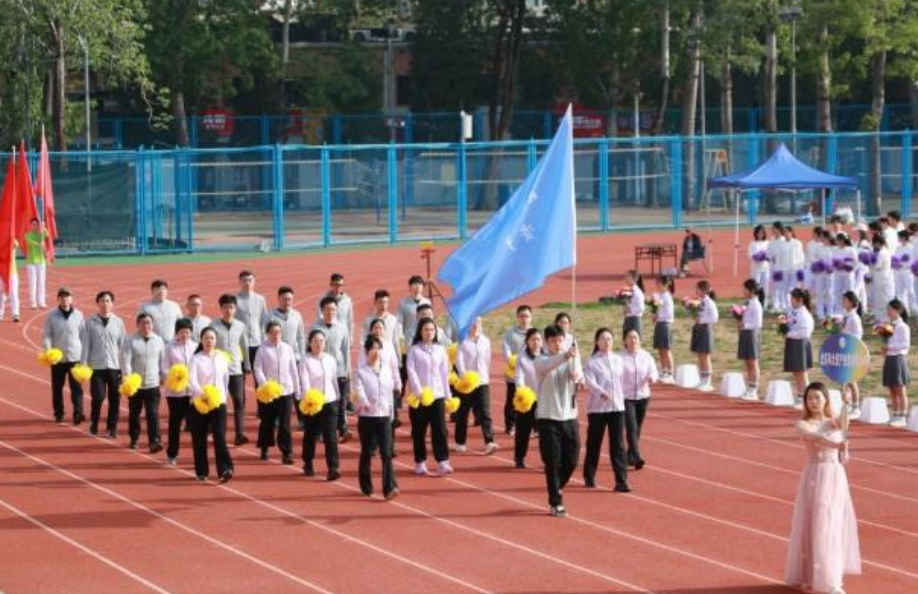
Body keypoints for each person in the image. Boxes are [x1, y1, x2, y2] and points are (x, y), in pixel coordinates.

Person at [785, 382, 860, 594]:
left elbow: (844, 425)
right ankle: (825, 581)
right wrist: (837, 445)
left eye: (817, 397)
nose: (813, 401)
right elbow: (816, 438)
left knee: (833, 524)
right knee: (818, 524)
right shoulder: (802, 424)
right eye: (809, 398)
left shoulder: (832, 421)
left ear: (826, 399)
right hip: (816, 477)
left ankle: (831, 577)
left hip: (836, 477)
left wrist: (846, 402)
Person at [535, 324, 582, 517]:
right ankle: (555, 501)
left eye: (560, 340)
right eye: (553, 341)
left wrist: (578, 376)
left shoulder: (573, 357)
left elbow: (579, 376)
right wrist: (565, 356)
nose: (557, 344)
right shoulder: (541, 360)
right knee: (553, 461)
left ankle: (556, 486)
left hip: (569, 416)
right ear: (547, 343)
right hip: (548, 418)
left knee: (572, 459)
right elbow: (549, 365)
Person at [581, 328, 628, 492]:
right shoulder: (591, 362)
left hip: (617, 408)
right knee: (594, 443)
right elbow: (589, 382)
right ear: (597, 342)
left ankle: (621, 481)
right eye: (603, 339)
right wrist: (601, 393)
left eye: (609, 339)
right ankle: (589, 476)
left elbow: (623, 381)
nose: (607, 342)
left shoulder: (618, 360)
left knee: (618, 445)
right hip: (598, 409)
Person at [353, 335, 399, 500]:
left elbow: (389, 392)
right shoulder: (360, 372)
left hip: (384, 416)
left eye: (379, 348)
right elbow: (358, 390)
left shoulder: (386, 370)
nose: (376, 351)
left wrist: (391, 412)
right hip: (367, 417)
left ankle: (389, 487)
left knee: (386, 452)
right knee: (367, 451)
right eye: (373, 348)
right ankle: (366, 486)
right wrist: (365, 403)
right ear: (366, 351)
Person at [406, 317, 452, 476]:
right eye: (426, 329)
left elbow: (444, 374)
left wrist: (447, 395)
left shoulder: (440, 350)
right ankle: (420, 462)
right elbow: (411, 372)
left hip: (437, 396)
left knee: (440, 430)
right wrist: (418, 391)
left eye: (432, 330)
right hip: (419, 398)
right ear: (420, 331)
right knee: (419, 431)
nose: (429, 332)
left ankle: (443, 461)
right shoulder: (414, 351)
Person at [188, 326, 235, 483]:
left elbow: (226, 379)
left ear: (216, 341)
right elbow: (192, 380)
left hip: (218, 403)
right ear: (201, 340)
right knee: (199, 438)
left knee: (220, 436)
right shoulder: (196, 359)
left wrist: (223, 397)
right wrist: (202, 394)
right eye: (206, 338)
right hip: (200, 403)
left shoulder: (221, 358)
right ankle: (201, 471)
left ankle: (225, 469)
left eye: (212, 338)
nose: (209, 341)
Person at [81, 290, 125, 438]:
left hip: (114, 367)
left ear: (112, 303)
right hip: (97, 367)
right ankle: (94, 423)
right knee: (98, 397)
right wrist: (83, 365)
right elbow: (86, 345)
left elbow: (123, 346)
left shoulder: (118, 322)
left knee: (115, 399)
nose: (105, 304)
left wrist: (125, 368)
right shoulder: (90, 322)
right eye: (102, 301)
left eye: (108, 301)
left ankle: (111, 428)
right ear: (97, 303)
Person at [298, 329, 341, 480]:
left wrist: (338, 396)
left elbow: (334, 379)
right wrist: (308, 398)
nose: (319, 343)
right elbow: (304, 382)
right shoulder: (305, 360)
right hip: (312, 403)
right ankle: (308, 462)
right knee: (310, 434)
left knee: (330, 435)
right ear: (310, 343)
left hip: (329, 401)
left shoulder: (330, 359)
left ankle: (333, 467)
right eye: (315, 341)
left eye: (321, 341)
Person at [254, 320, 298, 464]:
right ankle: (264, 447)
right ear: (267, 334)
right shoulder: (262, 349)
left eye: (278, 332)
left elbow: (293, 369)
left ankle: (287, 452)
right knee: (267, 422)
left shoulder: (287, 348)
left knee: (285, 424)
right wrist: (264, 384)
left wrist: (297, 388)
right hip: (269, 393)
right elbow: (258, 368)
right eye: (272, 332)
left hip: (285, 391)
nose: (276, 335)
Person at [453, 316, 498, 455]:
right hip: (466, 382)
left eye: (478, 322)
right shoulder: (462, 341)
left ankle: (489, 442)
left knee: (485, 412)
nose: (475, 324)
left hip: (482, 381)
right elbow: (459, 361)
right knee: (463, 412)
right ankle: (460, 442)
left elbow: (487, 360)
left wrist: (484, 375)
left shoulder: (485, 341)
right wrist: (464, 376)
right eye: (473, 322)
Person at [121, 312, 165, 453]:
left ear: (152, 325)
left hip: (153, 384)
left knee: (153, 413)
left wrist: (163, 375)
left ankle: (154, 441)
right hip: (136, 385)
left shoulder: (158, 340)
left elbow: (162, 361)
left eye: (149, 323)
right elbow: (126, 361)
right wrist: (128, 378)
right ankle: (134, 439)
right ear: (138, 325)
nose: (146, 326)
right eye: (143, 323)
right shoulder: (130, 340)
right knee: (135, 413)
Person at [42, 287, 85, 424]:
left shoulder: (79, 315)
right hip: (58, 359)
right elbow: (47, 335)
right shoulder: (51, 316)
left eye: (67, 296)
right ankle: (59, 413)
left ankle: (78, 413)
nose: (65, 299)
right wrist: (48, 352)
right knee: (57, 388)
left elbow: (84, 336)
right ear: (58, 299)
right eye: (62, 297)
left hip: (75, 357)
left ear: (72, 298)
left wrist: (85, 356)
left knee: (77, 388)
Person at [312, 296, 352, 442]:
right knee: (321, 401)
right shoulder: (316, 327)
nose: (330, 312)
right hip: (320, 371)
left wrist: (347, 370)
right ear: (322, 310)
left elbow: (345, 350)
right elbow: (310, 349)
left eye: (333, 309)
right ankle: (319, 431)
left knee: (341, 402)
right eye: (327, 309)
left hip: (339, 371)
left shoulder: (342, 328)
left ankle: (342, 430)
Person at [212, 294, 249, 445]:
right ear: (221, 308)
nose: (229, 310)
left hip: (236, 370)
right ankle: (219, 433)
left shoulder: (240, 326)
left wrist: (247, 364)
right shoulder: (213, 326)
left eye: (232, 307)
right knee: (219, 402)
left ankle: (240, 434)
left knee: (239, 402)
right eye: (226, 307)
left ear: (235, 309)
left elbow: (244, 346)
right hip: (219, 370)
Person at [161, 317, 196, 466]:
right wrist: (175, 377)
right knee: (175, 424)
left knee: (195, 425)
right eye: (182, 332)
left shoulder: (195, 347)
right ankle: (172, 454)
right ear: (177, 332)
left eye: (188, 332)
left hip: (192, 392)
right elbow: (164, 368)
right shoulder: (170, 347)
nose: (185, 335)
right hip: (175, 393)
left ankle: (198, 456)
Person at [621, 329, 658, 471]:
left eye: (635, 337)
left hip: (643, 397)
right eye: (630, 338)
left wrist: (652, 378)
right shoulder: (620, 358)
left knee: (637, 428)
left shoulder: (646, 356)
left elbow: (653, 371)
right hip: (626, 397)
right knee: (631, 427)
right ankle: (636, 457)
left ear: (640, 340)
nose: (633, 340)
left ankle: (629, 455)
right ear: (625, 341)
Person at [513, 328, 542, 469]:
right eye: (533, 339)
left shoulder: (547, 356)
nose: (536, 342)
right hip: (528, 399)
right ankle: (519, 457)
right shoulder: (522, 358)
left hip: (545, 399)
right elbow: (519, 377)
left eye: (538, 339)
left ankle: (548, 459)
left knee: (545, 432)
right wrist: (522, 392)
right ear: (527, 341)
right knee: (523, 430)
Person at [502, 304, 532, 436]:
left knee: (531, 399)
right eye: (521, 316)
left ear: (531, 317)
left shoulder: (534, 332)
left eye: (527, 316)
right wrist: (511, 361)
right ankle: (510, 425)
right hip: (513, 372)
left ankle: (532, 426)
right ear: (517, 317)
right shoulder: (511, 333)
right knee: (512, 399)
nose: (524, 319)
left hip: (530, 373)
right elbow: (506, 348)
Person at [236, 270, 268, 391]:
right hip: (239, 345)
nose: (247, 283)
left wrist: (263, 339)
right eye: (244, 280)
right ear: (240, 282)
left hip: (256, 343)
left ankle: (262, 401)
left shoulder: (260, 299)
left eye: (250, 280)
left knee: (259, 376)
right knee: (240, 378)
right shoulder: (234, 299)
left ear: (254, 281)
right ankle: (241, 403)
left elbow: (264, 321)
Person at [784, 288, 815, 408]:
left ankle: (806, 399)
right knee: (796, 372)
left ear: (800, 300)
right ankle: (800, 396)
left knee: (802, 373)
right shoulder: (792, 311)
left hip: (800, 344)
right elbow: (788, 324)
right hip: (792, 342)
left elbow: (805, 332)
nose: (791, 301)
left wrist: (789, 334)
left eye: (793, 298)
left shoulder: (804, 314)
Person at [883, 299, 910, 428]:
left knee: (900, 388)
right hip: (889, 357)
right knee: (891, 387)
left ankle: (903, 416)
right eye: (887, 309)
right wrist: (885, 348)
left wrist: (890, 347)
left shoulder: (903, 326)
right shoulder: (889, 325)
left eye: (890, 309)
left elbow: (905, 344)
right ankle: (895, 413)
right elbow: (887, 341)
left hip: (898, 358)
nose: (888, 312)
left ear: (898, 310)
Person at [737, 279, 764, 400]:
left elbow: (758, 323)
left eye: (745, 289)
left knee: (753, 362)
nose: (743, 291)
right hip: (746, 333)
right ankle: (749, 388)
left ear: (751, 291)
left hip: (752, 334)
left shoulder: (756, 305)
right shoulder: (748, 303)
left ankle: (753, 390)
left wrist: (745, 325)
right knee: (748, 363)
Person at [691, 280, 719, 392]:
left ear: (703, 290)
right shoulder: (699, 301)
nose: (696, 290)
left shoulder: (709, 302)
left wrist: (701, 320)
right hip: (699, 329)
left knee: (705, 356)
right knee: (700, 355)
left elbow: (714, 318)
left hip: (705, 329)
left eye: (697, 288)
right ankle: (702, 379)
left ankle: (707, 381)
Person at [839, 291, 864, 419]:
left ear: (851, 302)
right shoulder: (846, 316)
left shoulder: (854, 318)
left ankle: (856, 406)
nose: (843, 302)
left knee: (851, 379)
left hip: (851, 351)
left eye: (845, 300)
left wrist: (848, 342)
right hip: (844, 351)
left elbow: (858, 336)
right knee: (844, 379)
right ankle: (847, 404)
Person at [266, 285, 306, 359]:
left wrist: (302, 354)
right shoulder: (270, 316)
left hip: (294, 356)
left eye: (289, 299)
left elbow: (300, 336)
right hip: (277, 356)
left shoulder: (297, 315)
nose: (287, 302)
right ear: (278, 299)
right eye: (284, 299)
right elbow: (265, 337)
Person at [316, 273, 355, 343]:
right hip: (327, 333)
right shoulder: (323, 299)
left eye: (341, 285)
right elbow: (319, 317)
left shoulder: (347, 300)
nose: (338, 287)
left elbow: (350, 319)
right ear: (331, 284)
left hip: (342, 334)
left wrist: (350, 336)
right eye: (336, 284)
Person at [361, 289, 399, 356]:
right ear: (375, 302)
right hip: (374, 354)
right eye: (381, 302)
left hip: (388, 354)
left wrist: (401, 357)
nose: (383, 305)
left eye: (386, 302)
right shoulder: (368, 320)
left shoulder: (393, 320)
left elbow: (397, 340)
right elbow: (364, 339)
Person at [651, 275, 675, 383]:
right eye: (656, 283)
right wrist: (655, 314)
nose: (657, 285)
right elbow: (657, 309)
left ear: (665, 284)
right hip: (659, 324)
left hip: (665, 324)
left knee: (666, 349)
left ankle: (670, 373)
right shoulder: (659, 296)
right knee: (660, 349)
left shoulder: (667, 297)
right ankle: (664, 371)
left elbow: (669, 314)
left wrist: (658, 316)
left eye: (658, 283)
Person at [24, 218, 49, 309]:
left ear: (38, 225)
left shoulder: (41, 234)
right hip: (31, 262)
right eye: (33, 224)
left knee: (41, 282)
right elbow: (31, 242)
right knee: (32, 282)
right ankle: (33, 303)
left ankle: (41, 302)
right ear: (30, 225)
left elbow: (47, 234)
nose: (34, 225)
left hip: (41, 262)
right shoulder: (27, 235)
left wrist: (43, 226)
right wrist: (39, 244)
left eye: (36, 224)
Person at [768, 222, 790, 312]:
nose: (772, 230)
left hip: (782, 267)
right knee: (774, 286)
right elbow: (769, 251)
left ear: (778, 229)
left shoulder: (784, 239)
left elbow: (787, 253)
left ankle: (783, 305)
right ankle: (775, 305)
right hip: (773, 267)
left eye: (774, 228)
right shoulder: (772, 239)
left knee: (782, 287)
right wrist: (771, 257)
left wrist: (779, 258)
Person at [748, 225, 770, 309]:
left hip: (765, 268)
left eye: (762, 233)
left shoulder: (767, 243)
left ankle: (764, 303)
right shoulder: (752, 243)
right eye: (759, 233)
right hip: (756, 268)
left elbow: (770, 254)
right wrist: (756, 257)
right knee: (755, 286)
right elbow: (750, 254)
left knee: (765, 286)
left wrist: (766, 257)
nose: (760, 234)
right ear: (756, 234)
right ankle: (754, 303)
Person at [893, 230, 914, 313]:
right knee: (899, 292)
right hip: (898, 271)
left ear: (904, 238)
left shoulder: (911, 247)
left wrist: (904, 264)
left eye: (899, 237)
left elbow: (913, 260)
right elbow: (895, 258)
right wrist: (895, 264)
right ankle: (905, 310)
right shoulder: (898, 247)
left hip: (908, 271)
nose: (898, 239)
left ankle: (915, 309)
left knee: (911, 291)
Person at [0, 239, 21, 322]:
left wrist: (9, 237)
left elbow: (16, 244)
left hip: (12, 271)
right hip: (1, 272)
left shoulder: (12, 240)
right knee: (1, 294)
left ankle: (15, 313)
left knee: (14, 293)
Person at [622, 270, 645, 338]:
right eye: (625, 276)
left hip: (634, 320)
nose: (625, 278)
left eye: (628, 276)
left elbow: (641, 308)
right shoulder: (628, 290)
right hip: (628, 319)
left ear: (635, 279)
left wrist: (630, 310)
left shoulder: (637, 292)